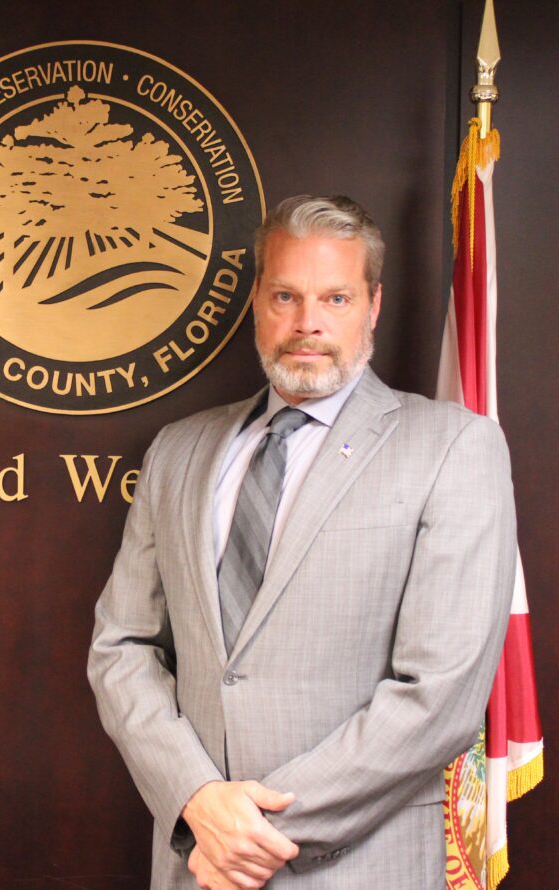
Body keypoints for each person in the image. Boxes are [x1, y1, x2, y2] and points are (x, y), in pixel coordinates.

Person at [87, 195, 517, 889]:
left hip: (354, 868)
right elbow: (122, 646)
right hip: (196, 862)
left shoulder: (453, 447)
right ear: (258, 300)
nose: (307, 323)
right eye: (286, 296)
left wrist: (249, 833)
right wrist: (196, 798)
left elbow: (440, 694)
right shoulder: (178, 451)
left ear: (373, 306)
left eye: (336, 298)